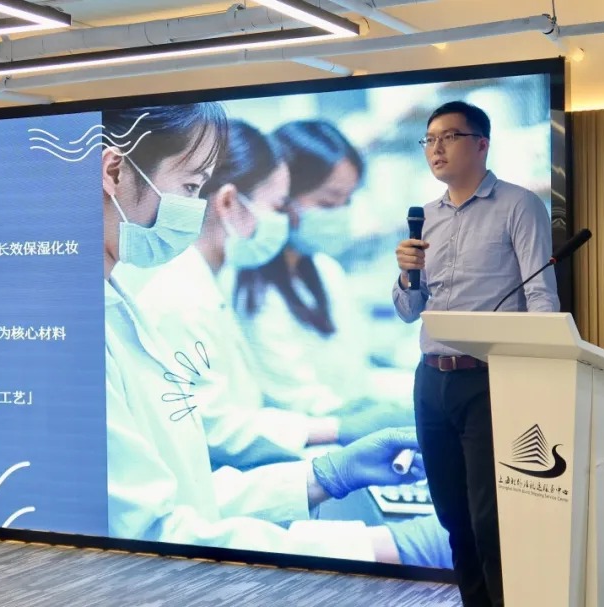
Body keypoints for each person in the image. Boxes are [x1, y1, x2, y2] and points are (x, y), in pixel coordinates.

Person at [100, 103, 450, 567]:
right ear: (113, 172)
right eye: (190, 187)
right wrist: (383, 548)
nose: (196, 206)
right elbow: (154, 529)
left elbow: (190, 492)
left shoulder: (128, 305)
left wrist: (326, 474)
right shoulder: (156, 302)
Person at [113, 119, 397, 471]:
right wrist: (336, 430)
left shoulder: (205, 284)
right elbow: (213, 425)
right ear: (229, 202)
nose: (284, 220)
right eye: (278, 207)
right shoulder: (182, 295)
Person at [391, 100, 559, 607]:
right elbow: (409, 310)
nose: (436, 148)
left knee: (491, 519)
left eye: (449, 136)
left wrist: (539, 380)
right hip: (431, 380)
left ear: (481, 144)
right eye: (429, 139)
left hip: (490, 380)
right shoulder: (426, 219)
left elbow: (541, 298)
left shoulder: (519, 205)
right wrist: (406, 275)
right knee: (453, 516)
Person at [233, 119, 413, 423]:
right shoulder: (250, 290)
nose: (341, 215)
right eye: (328, 203)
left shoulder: (325, 270)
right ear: (281, 196)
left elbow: (355, 379)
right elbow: (300, 399)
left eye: (347, 201)